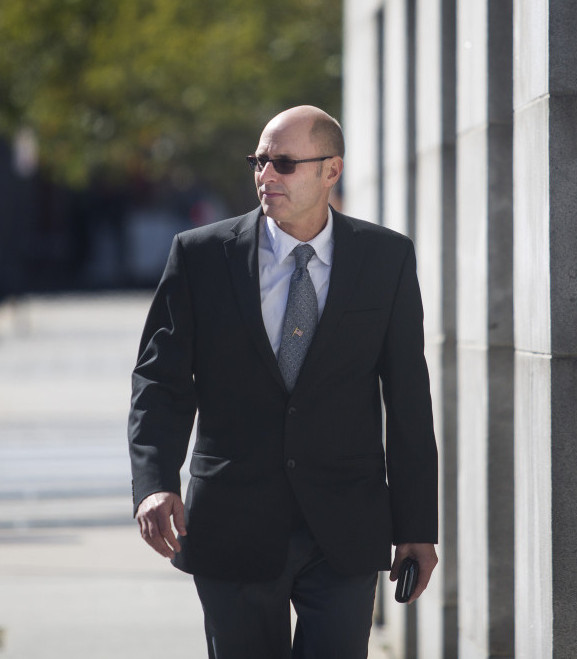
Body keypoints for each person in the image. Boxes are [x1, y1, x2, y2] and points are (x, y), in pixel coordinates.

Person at [128, 106, 438, 658]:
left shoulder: (385, 258)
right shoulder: (200, 256)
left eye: (285, 163)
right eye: (260, 161)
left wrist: (417, 525)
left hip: (344, 528)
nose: (266, 176)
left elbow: (409, 396)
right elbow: (161, 380)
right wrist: (155, 480)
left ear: (331, 171)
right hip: (232, 523)